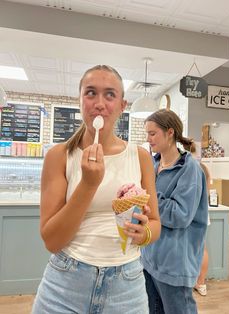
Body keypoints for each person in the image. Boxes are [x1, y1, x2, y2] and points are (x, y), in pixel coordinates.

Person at [32, 65, 161, 314]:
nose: (99, 103)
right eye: (90, 93)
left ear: (122, 105)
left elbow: (155, 224)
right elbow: (52, 239)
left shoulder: (141, 157)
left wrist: (142, 233)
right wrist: (88, 185)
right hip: (65, 283)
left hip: (128, 283)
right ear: (79, 101)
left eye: (110, 95)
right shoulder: (59, 156)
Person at [142, 109, 208, 314]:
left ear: (170, 132)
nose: (148, 138)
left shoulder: (189, 169)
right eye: (147, 134)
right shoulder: (152, 164)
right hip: (150, 259)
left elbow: (180, 215)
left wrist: (147, 196)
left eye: (153, 133)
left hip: (175, 265)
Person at [183, 140, 211, 297]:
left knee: (191, 246)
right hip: (202, 210)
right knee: (202, 246)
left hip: (191, 211)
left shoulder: (186, 166)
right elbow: (209, 187)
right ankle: (201, 283)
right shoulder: (203, 167)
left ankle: (191, 281)